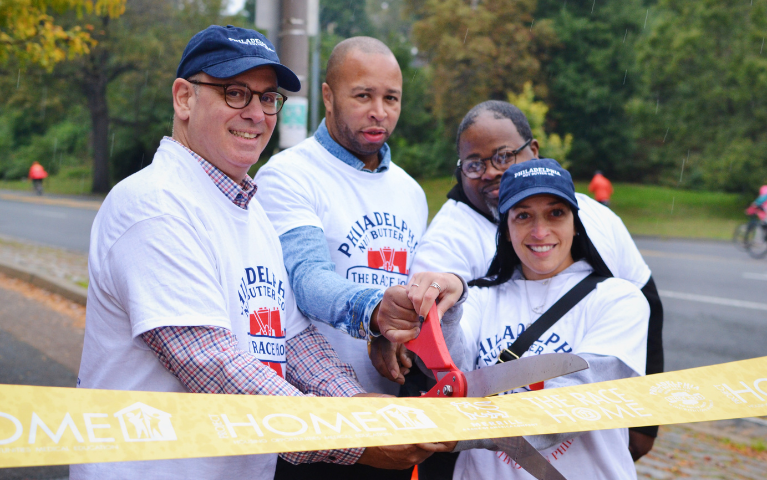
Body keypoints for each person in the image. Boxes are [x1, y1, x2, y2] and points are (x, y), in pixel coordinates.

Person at [71, 26, 439, 480]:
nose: (256, 113)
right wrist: (354, 436)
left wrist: (356, 402)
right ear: (184, 98)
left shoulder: (248, 209)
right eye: (235, 93)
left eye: (268, 98)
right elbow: (208, 362)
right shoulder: (155, 205)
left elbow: (291, 338)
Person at [398, 101, 662, 468]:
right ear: (505, 231)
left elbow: (569, 406)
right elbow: (450, 371)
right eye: (523, 216)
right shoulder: (481, 298)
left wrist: (458, 433)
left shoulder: (620, 301)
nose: (540, 232)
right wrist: (450, 299)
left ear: (576, 222)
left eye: (556, 213)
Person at [255, 36, 438, 479]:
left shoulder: (411, 192)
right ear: (327, 95)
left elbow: (407, 293)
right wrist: (375, 310)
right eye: (363, 95)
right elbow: (307, 278)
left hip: (387, 427)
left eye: (391, 97)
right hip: (310, 424)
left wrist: (396, 336)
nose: (380, 111)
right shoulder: (288, 175)